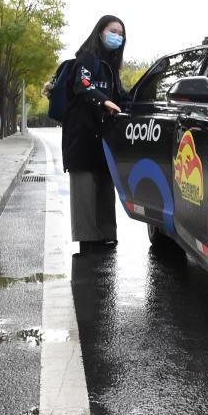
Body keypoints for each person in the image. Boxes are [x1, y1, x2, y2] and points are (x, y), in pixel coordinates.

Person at [62, 15, 128, 252]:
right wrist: (104, 101)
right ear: (100, 32)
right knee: (85, 186)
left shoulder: (111, 67)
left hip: (103, 135)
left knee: (105, 184)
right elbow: (82, 85)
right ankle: (87, 238)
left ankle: (107, 234)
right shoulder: (86, 58)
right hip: (82, 135)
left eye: (121, 34)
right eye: (113, 31)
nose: (117, 37)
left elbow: (121, 96)